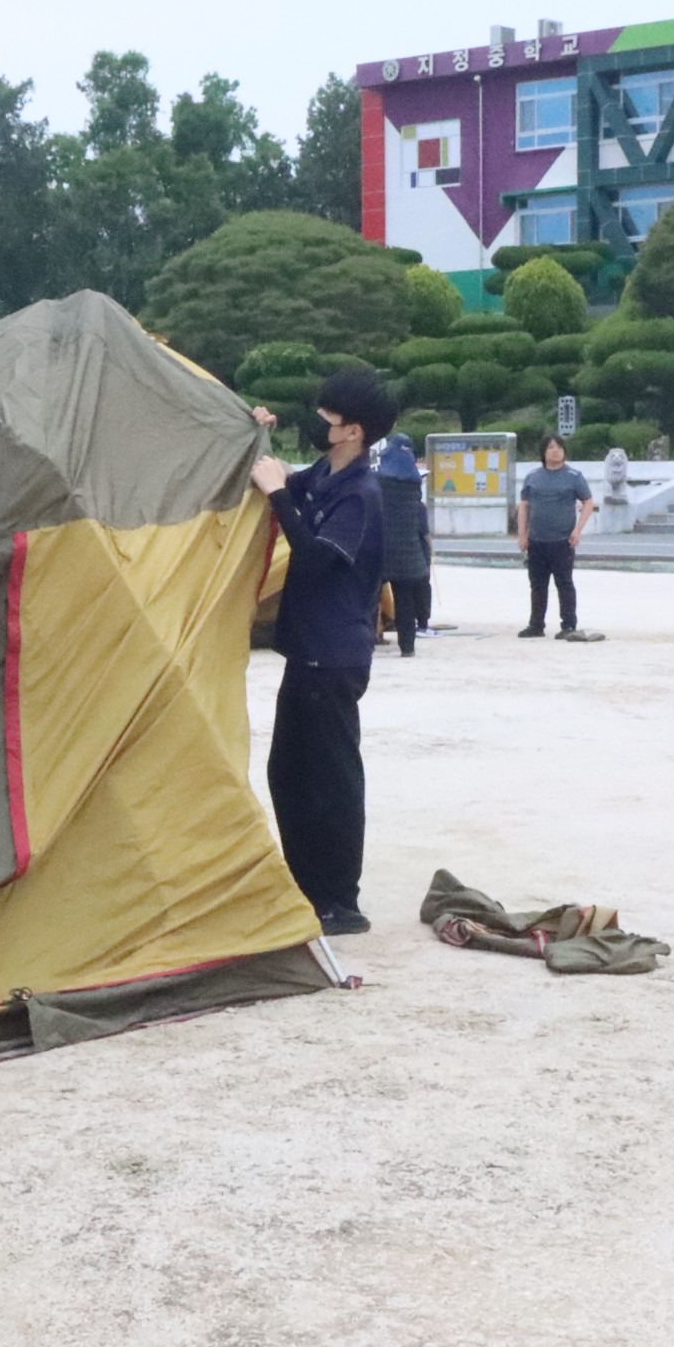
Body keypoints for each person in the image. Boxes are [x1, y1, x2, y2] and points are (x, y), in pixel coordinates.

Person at [249, 369, 397, 935]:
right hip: (305, 653)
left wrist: (280, 495)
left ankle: (340, 900)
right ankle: (307, 887)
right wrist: (258, 438)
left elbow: (310, 558)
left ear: (353, 432)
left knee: (332, 779)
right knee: (288, 772)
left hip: (333, 658)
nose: (320, 425)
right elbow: (285, 479)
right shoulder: (326, 479)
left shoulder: (361, 495)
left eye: (328, 420)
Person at [515, 435, 594, 639]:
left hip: (562, 541)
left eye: (559, 447)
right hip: (537, 541)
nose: (555, 451)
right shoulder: (532, 477)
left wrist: (577, 530)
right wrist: (522, 535)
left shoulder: (574, 476)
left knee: (564, 583)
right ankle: (536, 625)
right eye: (550, 447)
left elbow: (588, 502)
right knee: (537, 584)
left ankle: (568, 624)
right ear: (543, 452)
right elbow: (524, 506)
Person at [375, 433, 432, 657]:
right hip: (408, 551)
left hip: (381, 549)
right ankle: (407, 647)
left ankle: (370, 639)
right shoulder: (413, 481)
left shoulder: (379, 479)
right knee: (405, 602)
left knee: (371, 598)